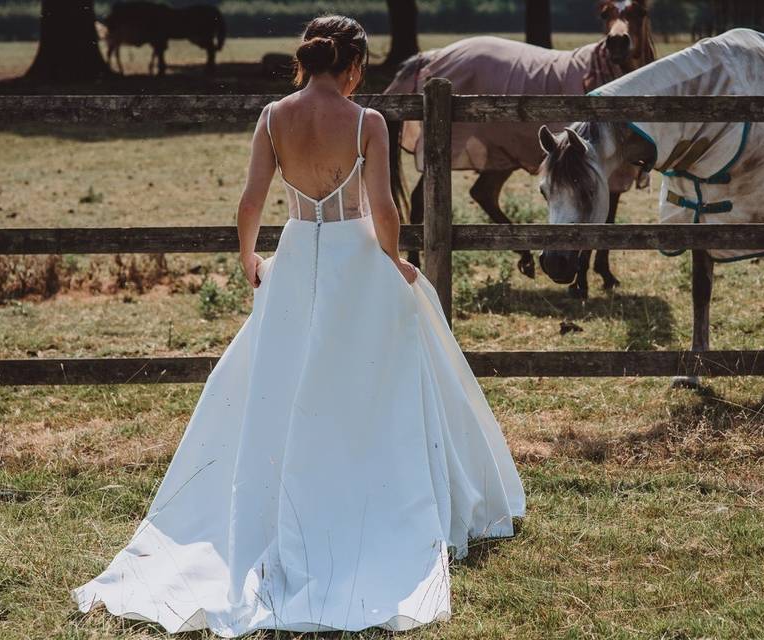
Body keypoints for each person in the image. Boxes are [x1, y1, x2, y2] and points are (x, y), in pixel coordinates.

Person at [71, 13, 525, 637]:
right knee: (385, 367)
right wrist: (394, 261)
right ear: (355, 67)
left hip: (295, 258)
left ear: (303, 61)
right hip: (353, 256)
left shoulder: (272, 117)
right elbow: (385, 208)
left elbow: (251, 201)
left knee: (279, 379)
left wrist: (250, 260)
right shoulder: (367, 121)